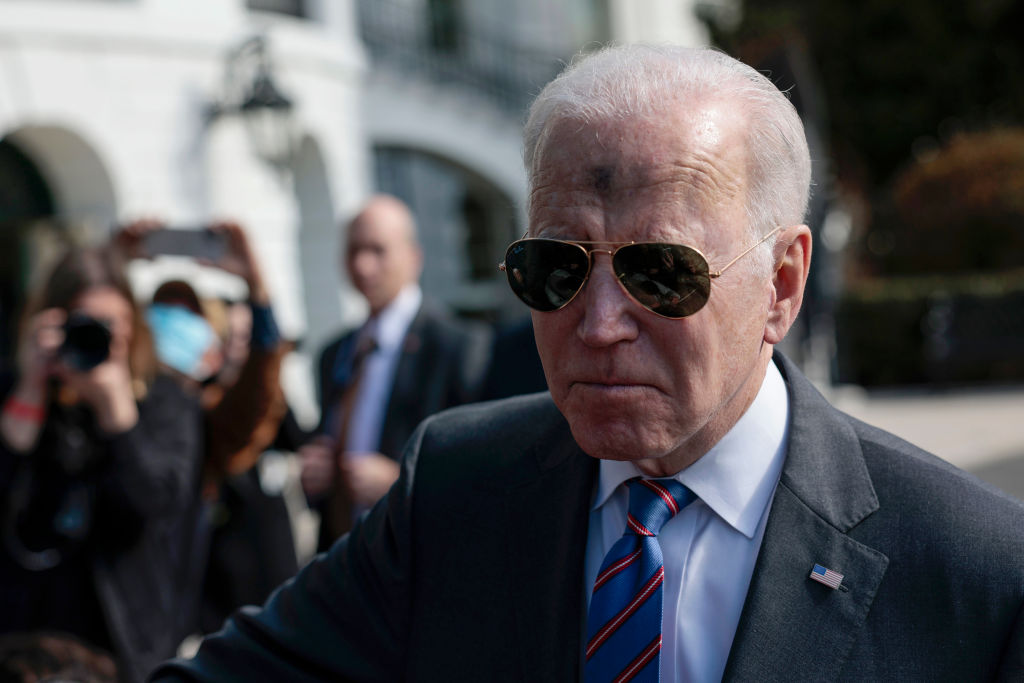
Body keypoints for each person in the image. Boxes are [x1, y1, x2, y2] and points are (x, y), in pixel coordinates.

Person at [151, 45, 1024, 682]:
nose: (600, 322)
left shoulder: (974, 570)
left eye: (662, 272)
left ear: (782, 284)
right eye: (556, 268)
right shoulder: (455, 487)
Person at [0, 245, 203, 683]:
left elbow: (156, 507)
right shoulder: (17, 392)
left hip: (124, 642)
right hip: (27, 644)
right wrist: (32, 386)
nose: (98, 338)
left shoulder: (164, 402)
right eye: (83, 323)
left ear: (133, 324)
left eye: (110, 324)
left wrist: (117, 413)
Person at [298, 194, 490, 549]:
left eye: (377, 250)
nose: (363, 265)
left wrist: (404, 483)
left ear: (414, 257)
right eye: (354, 251)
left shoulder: (456, 346)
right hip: (344, 562)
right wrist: (316, 473)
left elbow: (484, 465)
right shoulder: (334, 354)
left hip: (421, 557)